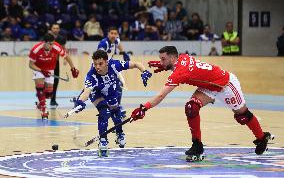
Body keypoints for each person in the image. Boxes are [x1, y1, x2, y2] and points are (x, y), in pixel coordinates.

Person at [130, 46, 274, 160]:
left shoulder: (180, 72)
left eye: (163, 59)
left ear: (173, 57)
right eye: (160, 60)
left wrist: (144, 108)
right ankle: (197, 145)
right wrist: (166, 66)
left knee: (242, 115)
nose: (160, 62)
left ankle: (262, 138)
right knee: (191, 107)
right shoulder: (182, 58)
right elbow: (182, 66)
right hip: (208, 87)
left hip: (225, 84)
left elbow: (161, 95)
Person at [70, 50, 152, 156]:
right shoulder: (91, 75)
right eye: (95, 64)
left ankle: (119, 133)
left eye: (100, 64)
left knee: (116, 113)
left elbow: (136, 64)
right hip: (97, 93)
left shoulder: (114, 65)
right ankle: (103, 140)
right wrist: (80, 101)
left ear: (107, 62)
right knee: (104, 113)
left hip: (110, 91)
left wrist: (144, 71)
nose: (97, 67)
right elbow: (86, 92)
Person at [28, 33, 79, 119]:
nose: (52, 46)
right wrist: (41, 70)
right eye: (50, 44)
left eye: (53, 43)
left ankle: (40, 102)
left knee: (49, 93)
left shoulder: (56, 47)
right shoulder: (36, 49)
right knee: (40, 87)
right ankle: (44, 110)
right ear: (44, 42)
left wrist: (73, 69)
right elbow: (31, 65)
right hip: (39, 69)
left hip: (50, 69)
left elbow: (66, 57)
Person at [98, 26, 130, 118]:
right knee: (93, 88)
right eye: (111, 33)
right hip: (100, 67)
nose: (113, 35)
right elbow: (99, 58)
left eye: (115, 34)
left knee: (118, 85)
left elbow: (119, 44)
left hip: (108, 66)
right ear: (108, 34)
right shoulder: (104, 44)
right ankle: (78, 100)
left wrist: (123, 52)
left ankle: (117, 107)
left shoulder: (116, 41)